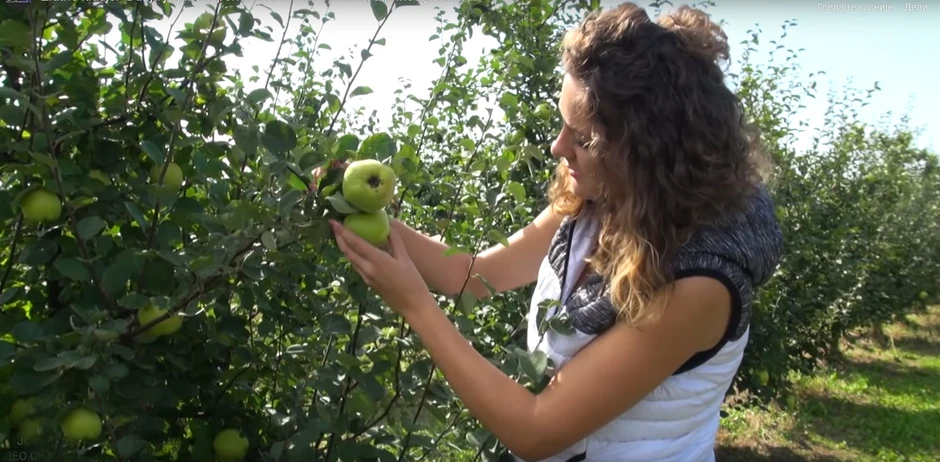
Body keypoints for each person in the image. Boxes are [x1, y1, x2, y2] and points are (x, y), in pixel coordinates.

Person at [319, 3, 784, 461]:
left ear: (648, 154)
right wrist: (353, 204)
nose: (558, 146)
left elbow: (537, 429)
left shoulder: (700, 285)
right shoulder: (599, 205)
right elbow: (473, 275)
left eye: (584, 139)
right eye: (563, 124)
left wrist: (413, 305)